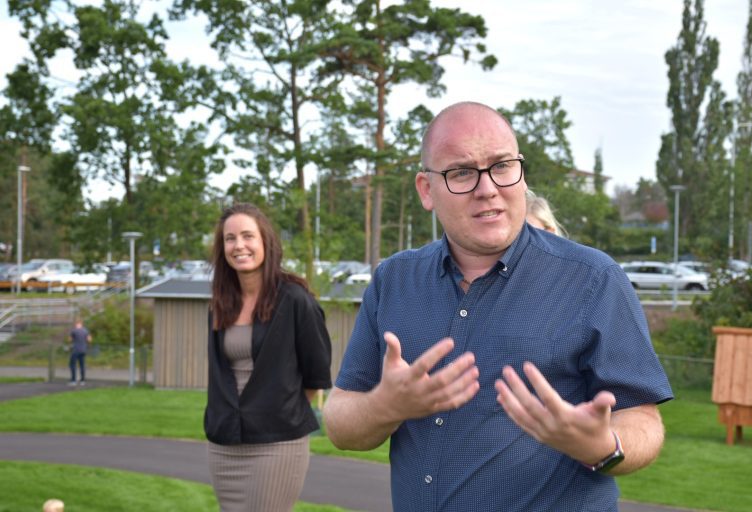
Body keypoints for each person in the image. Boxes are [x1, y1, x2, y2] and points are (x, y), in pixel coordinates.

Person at [323, 102, 673, 512]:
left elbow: (643, 421)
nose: (487, 187)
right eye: (462, 172)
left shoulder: (593, 279)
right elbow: (340, 422)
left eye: (502, 166)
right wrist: (386, 406)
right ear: (426, 190)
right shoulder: (393, 281)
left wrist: (602, 445)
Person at [204, 203, 332, 512]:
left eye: (248, 236)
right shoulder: (220, 304)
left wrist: (277, 408)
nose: (239, 246)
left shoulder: (295, 300)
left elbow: (316, 375)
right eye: (230, 238)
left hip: (277, 444)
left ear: (265, 242)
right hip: (225, 445)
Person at [68, 319, 91, 385]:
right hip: (83, 350)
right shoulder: (85, 330)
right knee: (82, 365)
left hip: (76, 350)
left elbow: (70, 339)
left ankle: (73, 380)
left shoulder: (74, 331)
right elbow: (89, 340)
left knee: (72, 365)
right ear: (82, 324)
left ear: (76, 324)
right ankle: (82, 380)